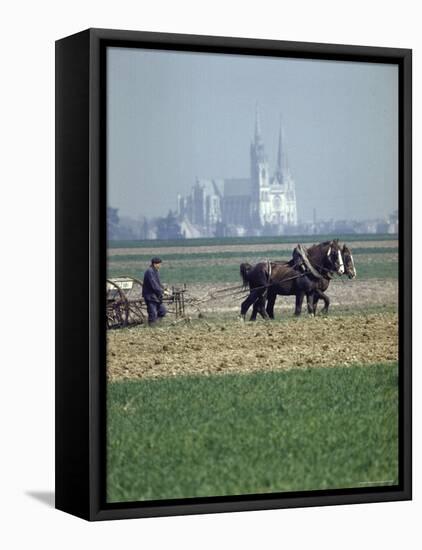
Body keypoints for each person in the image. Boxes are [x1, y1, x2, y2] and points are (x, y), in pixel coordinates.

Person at [142, 257, 168, 325]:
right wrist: (162, 291)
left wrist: (164, 288)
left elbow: (158, 283)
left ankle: (157, 323)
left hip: (156, 296)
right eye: (159, 264)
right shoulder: (149, 272)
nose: (160, 266)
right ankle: (152, 327)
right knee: (152, 313)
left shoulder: (156, 271)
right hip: (150, 296)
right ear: (154, 264)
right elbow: (154, 284)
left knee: (163, 311)